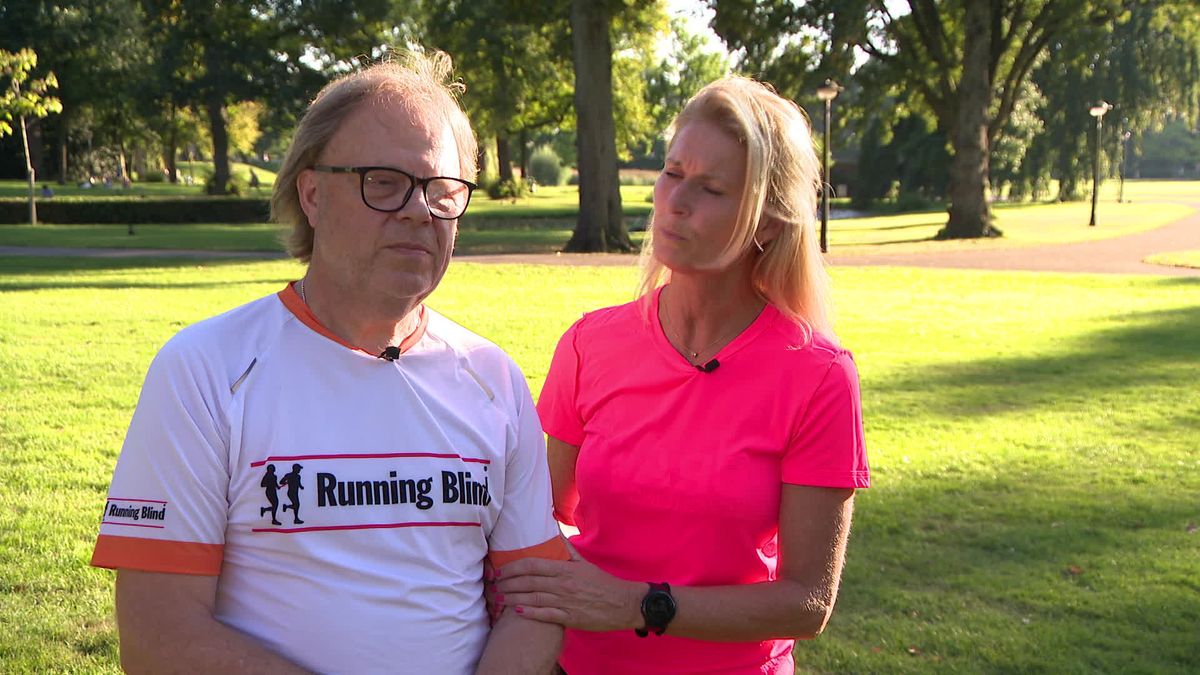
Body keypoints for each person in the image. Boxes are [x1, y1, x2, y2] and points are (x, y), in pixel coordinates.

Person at [91, 50, 568, 674]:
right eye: (384, 182)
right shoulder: (207, 369)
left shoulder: (492, 377)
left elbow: (538, 604)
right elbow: (158, 638)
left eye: (443, 191)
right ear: (311, 194)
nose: (419, 210)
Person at [493, 76, 870, 674]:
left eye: (711, 188)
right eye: (672, 173)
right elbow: (548, 515)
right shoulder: (590, 343)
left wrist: (639, 604)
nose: (675, 201)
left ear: (768, 223)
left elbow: (807, 602)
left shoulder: (818, 376)